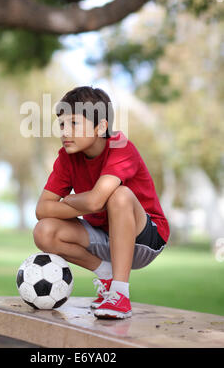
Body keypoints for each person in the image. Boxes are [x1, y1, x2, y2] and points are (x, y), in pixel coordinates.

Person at [33, 86, 170, 319]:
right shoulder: (67, 157)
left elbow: (97, 201)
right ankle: (105, 273)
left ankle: (120, 295)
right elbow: (42, 209)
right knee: (44, 231)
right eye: (62, 124)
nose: (65, 132)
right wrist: (86, 202)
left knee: (120, 195)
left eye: (74, 124)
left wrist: (72, 199)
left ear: (102, 127)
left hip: (144, 239)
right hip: (103, 235)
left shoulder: (120, 146)